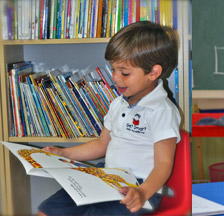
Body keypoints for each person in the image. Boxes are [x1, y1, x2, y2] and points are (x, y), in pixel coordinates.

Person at [37, 21, 181, 215]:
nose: (115, 78)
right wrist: (64, 154)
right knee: (48, 210)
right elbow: (101, 145)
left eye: (125, 73)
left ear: (153, 72)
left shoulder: (162, 110)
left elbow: (164, 164)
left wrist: (142, 192)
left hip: (138, 186)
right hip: (106, 176)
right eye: (113, 69)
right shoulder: (118, 103)